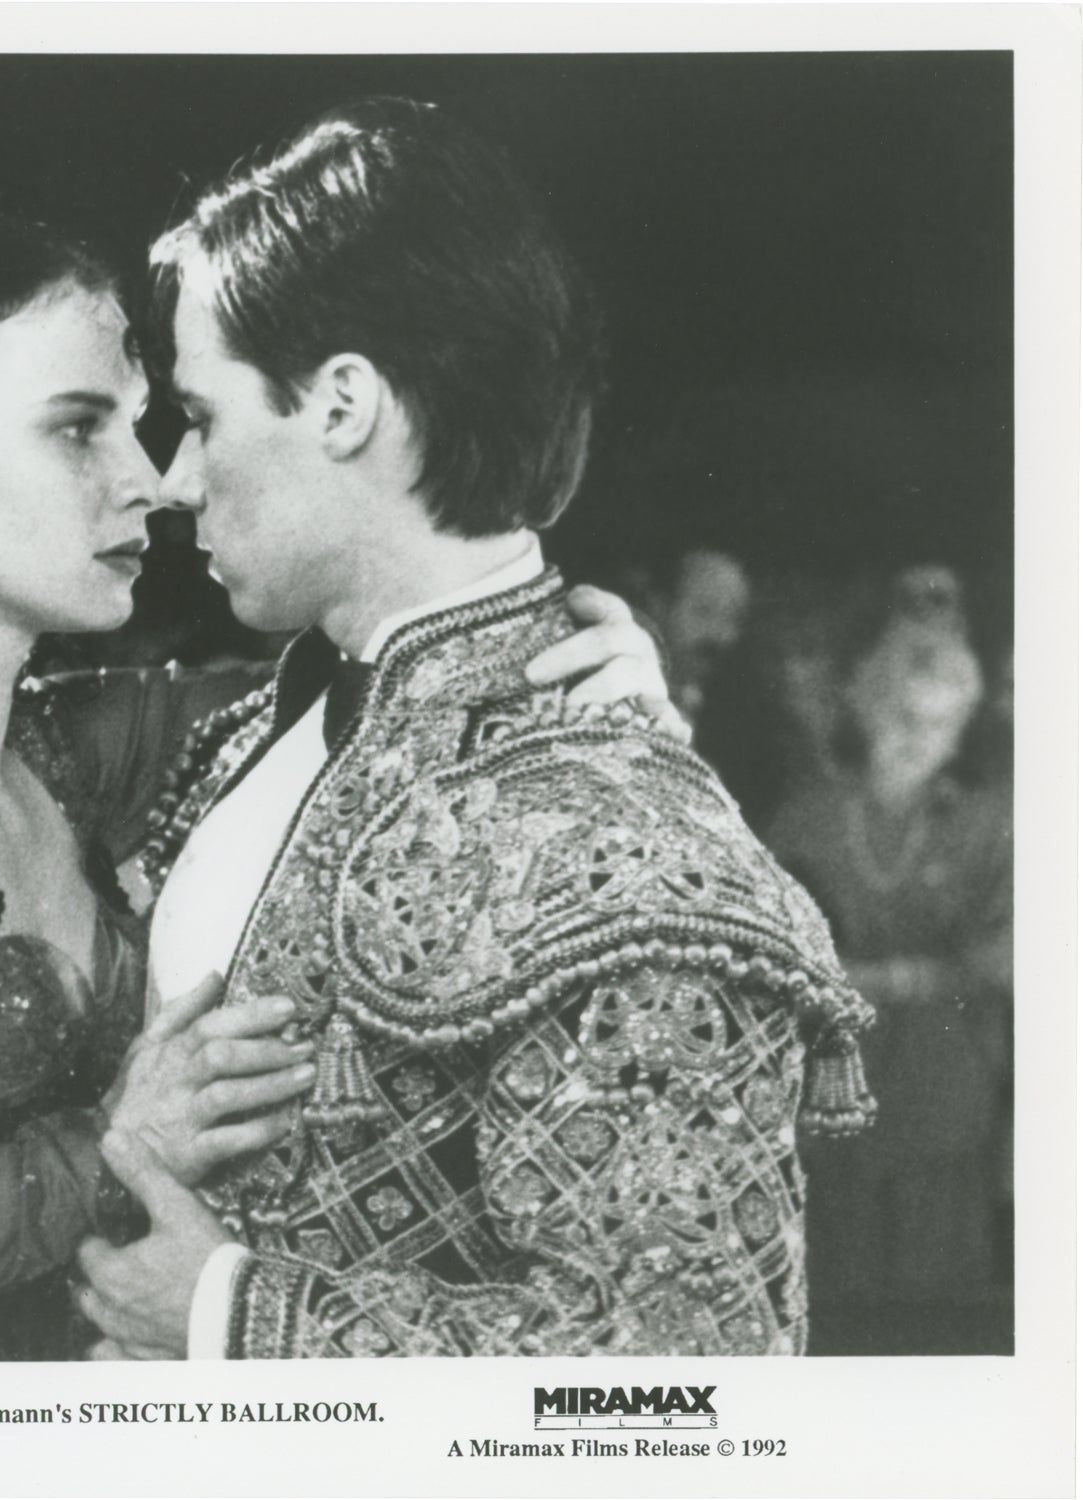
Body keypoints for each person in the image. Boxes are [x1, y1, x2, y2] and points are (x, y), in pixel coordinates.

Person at [0, 206, 675, 1361]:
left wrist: (573, 658)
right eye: (78, 430)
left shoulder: (59, 747)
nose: (150, 481)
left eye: (141, 424)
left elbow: (395, 672)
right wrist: (111, 1145)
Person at [75, 98, 872, 1360]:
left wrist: (233, 1315)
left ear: (343, 405)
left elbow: (697, 1361)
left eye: (204, 417)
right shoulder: (273, 721)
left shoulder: (626, 836)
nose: (173, 481)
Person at [767, 617, 1011, 1353]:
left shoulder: (987, 826)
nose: (919, 738)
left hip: (942, 1093)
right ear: (866, 709)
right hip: (826, 1099)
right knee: (829, 1303)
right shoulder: (806, 818)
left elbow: (1006, 958)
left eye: (941, 724)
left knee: (936, 1311)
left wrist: (873, 978)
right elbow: (766, 953)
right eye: (903, 716)